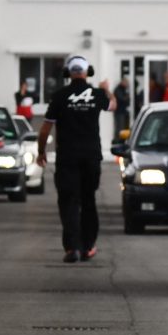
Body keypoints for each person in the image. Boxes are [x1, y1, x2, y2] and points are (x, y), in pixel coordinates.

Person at [37, 55, 116, 263]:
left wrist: (41, 152)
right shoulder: (98, 94)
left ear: (67, 74)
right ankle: (88, 246)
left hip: (67, 159)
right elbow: (113, 105)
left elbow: (45, 129)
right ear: (87, 72)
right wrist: (106, 88)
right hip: (91, 157)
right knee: (89, 200)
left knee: (69, 202)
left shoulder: (60, 96)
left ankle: (72, 248)